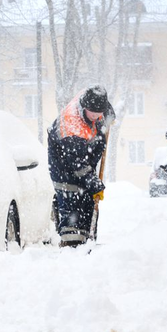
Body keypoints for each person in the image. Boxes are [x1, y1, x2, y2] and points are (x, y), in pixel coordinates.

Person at [47, 86, 114, 246]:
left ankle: (87, 243)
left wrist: (108, 115)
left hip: (83, 165)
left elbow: (104, 108)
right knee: (72, 216)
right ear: (84, 107)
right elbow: (78, 165)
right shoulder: (72, 127)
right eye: (94, 113)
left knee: (88, 205)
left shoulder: (90, 99)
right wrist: (95, 183)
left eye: (100, 113)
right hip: (65, 171)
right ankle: (72, 248)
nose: (97, 117)